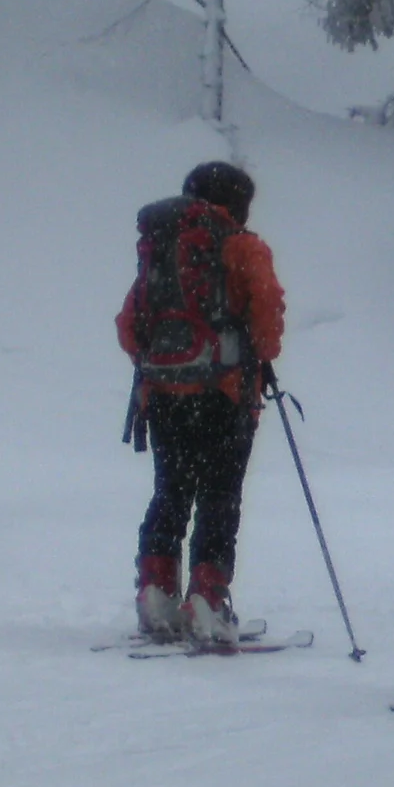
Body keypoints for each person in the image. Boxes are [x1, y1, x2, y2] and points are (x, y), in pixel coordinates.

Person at [116, 161, 285, 643]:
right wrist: (254, 354)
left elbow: (130, 326)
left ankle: (156, 588)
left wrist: (167, 365)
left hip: (164, 394)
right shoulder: (241, 246)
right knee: (219, 494)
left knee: (170, 489)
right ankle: (207, 600)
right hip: (225, 395)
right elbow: (268, 310)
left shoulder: (160, 250)